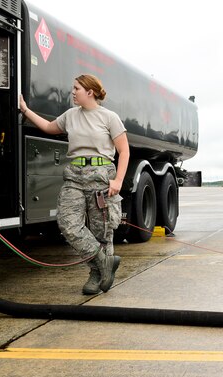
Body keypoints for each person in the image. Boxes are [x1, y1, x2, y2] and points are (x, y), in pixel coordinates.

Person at [20, 74, 130, 295]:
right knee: (68, 223)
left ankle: (96, 274)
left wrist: (118, 180)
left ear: (90, 92)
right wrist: (25, 110)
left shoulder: (109, 117)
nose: (72, 92)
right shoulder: (71, 115)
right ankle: (103, 262)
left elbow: (124, 151)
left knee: (102, 230)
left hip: (101, 175)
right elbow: (49, 127)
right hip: (75, 175)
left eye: (76, 88)